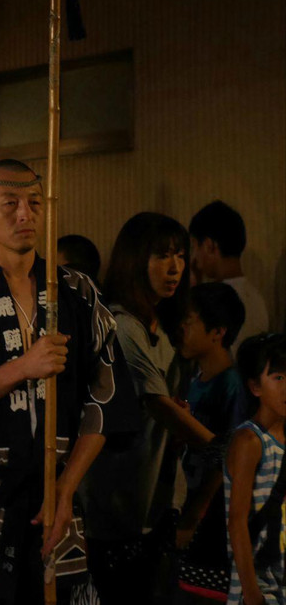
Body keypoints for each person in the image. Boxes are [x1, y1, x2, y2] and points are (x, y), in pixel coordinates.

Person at [0, 159, 139, 605]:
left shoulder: (77, 292)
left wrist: (66, 488)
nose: (24, 214)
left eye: (35, 203)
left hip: (56, 494)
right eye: (9, 203)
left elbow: (107, 401)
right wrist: (22, 366)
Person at [79, 212, 216, 605]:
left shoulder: (160, 325)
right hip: (120, 499)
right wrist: (221, 445)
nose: (174, 267)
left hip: (158, 493)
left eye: (179, 256)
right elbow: (155, 404)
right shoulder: (123, 325)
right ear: (134, 260)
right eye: (161, 256)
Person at [175, 283, 247, 603]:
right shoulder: (195, 377)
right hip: (191, 504)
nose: (183, 329)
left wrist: (193, 515)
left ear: (217, 332)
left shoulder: (232, 385)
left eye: (190, 322)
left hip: (212, 518)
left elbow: (227, 458)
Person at [225, 333, 286, 605]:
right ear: (255, 387)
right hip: (260, 585)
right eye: (278, 378)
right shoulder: (250, 441)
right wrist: (252, 594)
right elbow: (237, 521)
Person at [188, 201, 269, 352]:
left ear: (209, 246)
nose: (194, 258)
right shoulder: (257, 298)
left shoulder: (219, 301)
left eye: (194, 247)